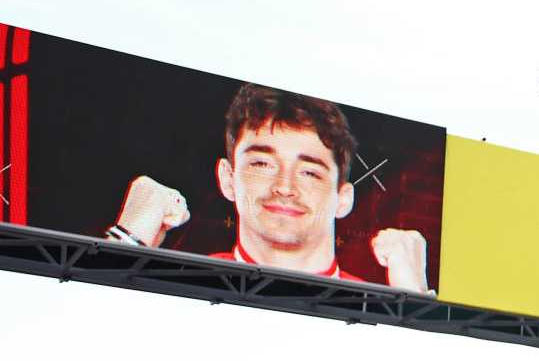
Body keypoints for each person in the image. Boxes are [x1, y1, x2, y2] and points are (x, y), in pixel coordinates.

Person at [107, 84, 430, 291]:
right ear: (227, 178)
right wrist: (126, 244)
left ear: (343, 199)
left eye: (309, 173)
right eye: (262, 164)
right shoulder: (178, 284)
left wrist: (414, 301)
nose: (284, 187)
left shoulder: (373, 306)